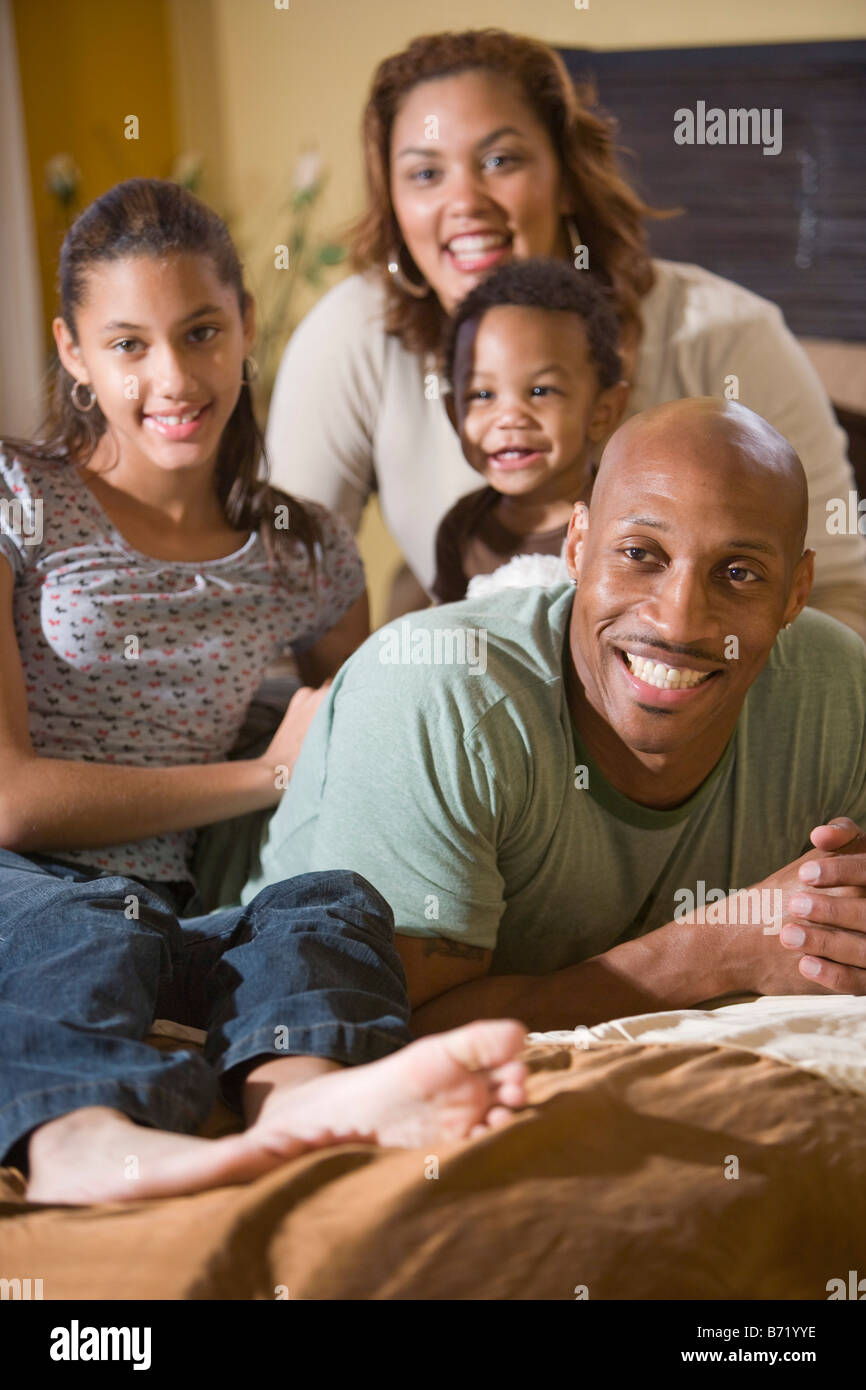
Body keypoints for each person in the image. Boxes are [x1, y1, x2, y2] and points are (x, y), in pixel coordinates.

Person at [0, 179, 527, 1205]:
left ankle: (295, 1105)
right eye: (128, 345)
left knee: (324, 906)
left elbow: (367, 719)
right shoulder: (17, 499)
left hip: (158, 915)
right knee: (88, 920)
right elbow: (9, 798)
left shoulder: (303, 551)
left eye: (200, 331)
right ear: (71, 351)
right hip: (22, 886)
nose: (174, 377)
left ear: (243, 322)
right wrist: (262, 773)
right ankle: (78, 1143)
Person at [236, 398, 866, 1033]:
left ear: (797, 592)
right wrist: (716, 951)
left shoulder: (834, 688)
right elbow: (392, 1027)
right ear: (577, 544)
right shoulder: (438, 695)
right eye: (640, 554)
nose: (678, 621)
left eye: (738, 573)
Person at [265, 27, 866, 638]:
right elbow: (289, 578)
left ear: (566, 176)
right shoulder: (353, 333)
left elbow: (844, 596)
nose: (464, 201)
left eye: (501, 161)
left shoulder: (728, 335)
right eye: (425, 174)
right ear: (392, 202)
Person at [432, 257, 627, 604]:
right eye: (482, 395)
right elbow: (449, 640)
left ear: (602, 411)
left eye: (540, 391)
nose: (509, 417)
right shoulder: (461, 528)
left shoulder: (624, 524)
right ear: (454, 414)